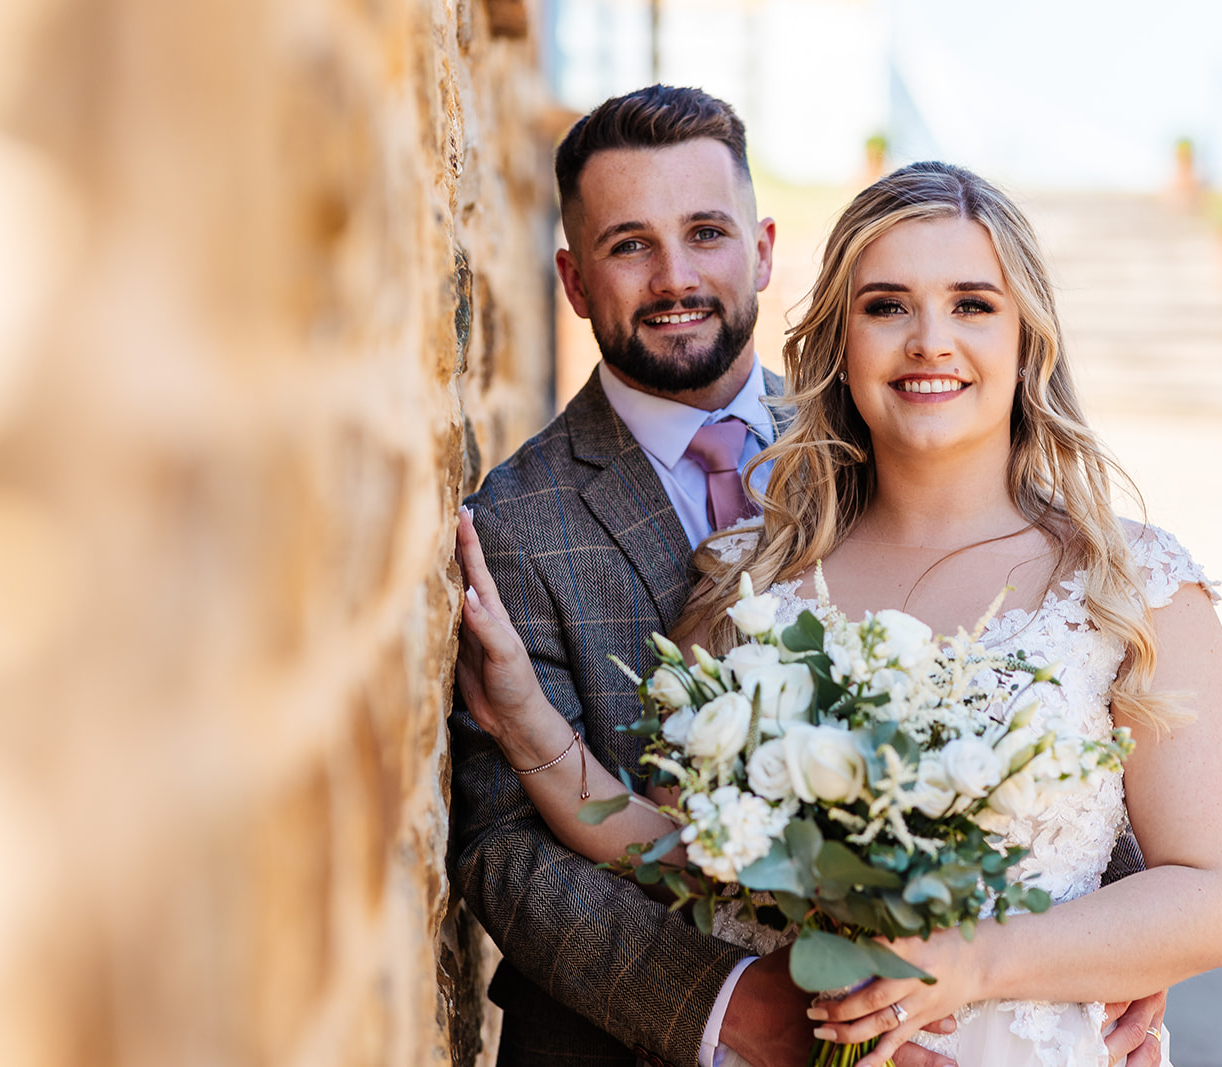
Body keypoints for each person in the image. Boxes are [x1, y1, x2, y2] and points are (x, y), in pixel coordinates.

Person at [449, 83, 1169, 1067]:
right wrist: (750, 1008)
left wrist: (1108, 935)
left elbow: (1055, 701)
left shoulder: (907, 422)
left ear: (763, 249)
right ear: (573, 282)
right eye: (629, 245)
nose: (674, 276)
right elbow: (500, 839)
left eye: (705, 232)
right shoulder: (514, 521)